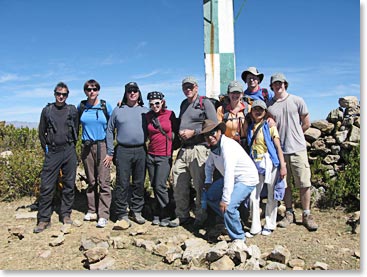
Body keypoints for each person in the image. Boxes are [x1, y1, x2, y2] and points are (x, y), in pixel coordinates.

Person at [267, 73, 318, 231]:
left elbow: (306, 123)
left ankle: (306, 214)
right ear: (272, 86)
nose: (278, 86)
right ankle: (289, 213)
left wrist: (295, 135)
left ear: (285, 84)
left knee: (304, 183)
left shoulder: (297, 100)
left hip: (297, 148)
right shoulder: (269, 105)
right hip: (280, 150)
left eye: (280, 83)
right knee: (285, 183)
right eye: (275, 83)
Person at [171, 76, 218, 227]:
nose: (188, 89)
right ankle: (182, 215)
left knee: (199, 185)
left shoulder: (205, 103)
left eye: (191, 87)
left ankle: (200, 216)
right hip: (184, 149)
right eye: (185, 87)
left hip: (199, 149)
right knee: (178, 181)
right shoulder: (184, 104)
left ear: (197, 87)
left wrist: (194, 132)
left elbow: (213, 126)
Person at [203, 119, 259, 243]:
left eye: (212, 133)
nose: (210, 137)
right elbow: (209, 165)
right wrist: (207, 181)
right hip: (232, 178)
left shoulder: (227, 146)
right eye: (207, 135)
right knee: (210, 196)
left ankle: (239, 238)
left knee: (228, 207)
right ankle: (233, 219)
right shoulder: (214, 148)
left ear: (219, 132)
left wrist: (225, 200)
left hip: (245, 178)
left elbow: (229, 172)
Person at [34, 82, 79, 233]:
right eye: (58, 93)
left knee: (69, 184)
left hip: (68, 150)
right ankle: (44, 219)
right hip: (52, 152)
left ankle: (65, 214)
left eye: (64, 94)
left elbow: (76, 128)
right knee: (47, 186)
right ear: (54, 94)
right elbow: (41, 132)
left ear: (67, 95)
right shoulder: (47, 110)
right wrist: (47, 149)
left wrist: (71, 145)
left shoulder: (71, 110)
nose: (61, 96)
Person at [105, 81, 149, 230]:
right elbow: (110, 130)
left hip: (141, 150)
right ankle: (121, 213)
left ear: (139, 93)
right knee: (122, 183)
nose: (132, 93)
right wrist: (110, 151)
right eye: (129, 91)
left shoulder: (145, 110)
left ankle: (136, 211)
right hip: (123, 150)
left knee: (139, 182)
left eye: (135, 90)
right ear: (125, 93)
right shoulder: (118, 110)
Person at [244, 100, 287, 237]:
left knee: (271, 195)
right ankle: (255, 226)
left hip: (269, 163)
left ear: (265, 112)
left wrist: (282, 165)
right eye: (255, 109)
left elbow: (277, 146)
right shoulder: (250, 127)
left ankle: (269, 224)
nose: (258, 112)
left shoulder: (269, 126)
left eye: (261, 110)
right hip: (254, 164)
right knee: (253, 196)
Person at [78, 79, 113, 228]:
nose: (91, 91)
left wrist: (110, 151)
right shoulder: (82, 107)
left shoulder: (105, 106)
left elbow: (112, 127)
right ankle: (92, 210)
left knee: (104, 181)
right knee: (91, 180)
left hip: (102, 145)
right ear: (85, 91)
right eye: (88, 89)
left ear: (98, 90)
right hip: (87, 146)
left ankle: (103, 214)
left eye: (94, 89)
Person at [145, 91, 179, 227]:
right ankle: (158, 212)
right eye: (152, 104)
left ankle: (167, 213)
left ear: (163, 102)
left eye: (157, 103)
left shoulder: (170, 114)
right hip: (151, 154)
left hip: (164, 155)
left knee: (160, 185)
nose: (155, 106)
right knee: (154, 184)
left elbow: (177, 129)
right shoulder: (148, 116)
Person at [216, 80, 249, 147]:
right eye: (232, 92)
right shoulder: (221, 110)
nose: (235, 95)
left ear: (242, 94)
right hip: (227, 145)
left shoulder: (248, 109)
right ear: (228, 94)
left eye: (237, 93)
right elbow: (218, 129)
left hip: (245, 145)